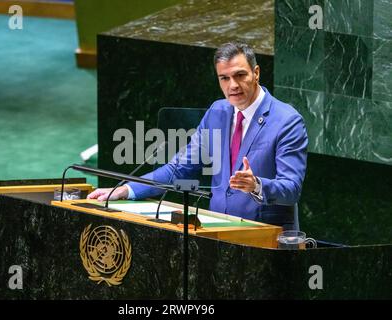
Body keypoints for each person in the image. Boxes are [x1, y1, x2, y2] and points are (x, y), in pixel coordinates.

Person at [88, 42, 308, 229]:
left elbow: (292, 189)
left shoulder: (286, 121)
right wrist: (126, 189)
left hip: (266, 237)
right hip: (216, 232)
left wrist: (257, 185)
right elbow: (179, 169)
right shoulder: (217, 112)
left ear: (256, 73)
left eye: (240, 75)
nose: (233, 85)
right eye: (224, 78)